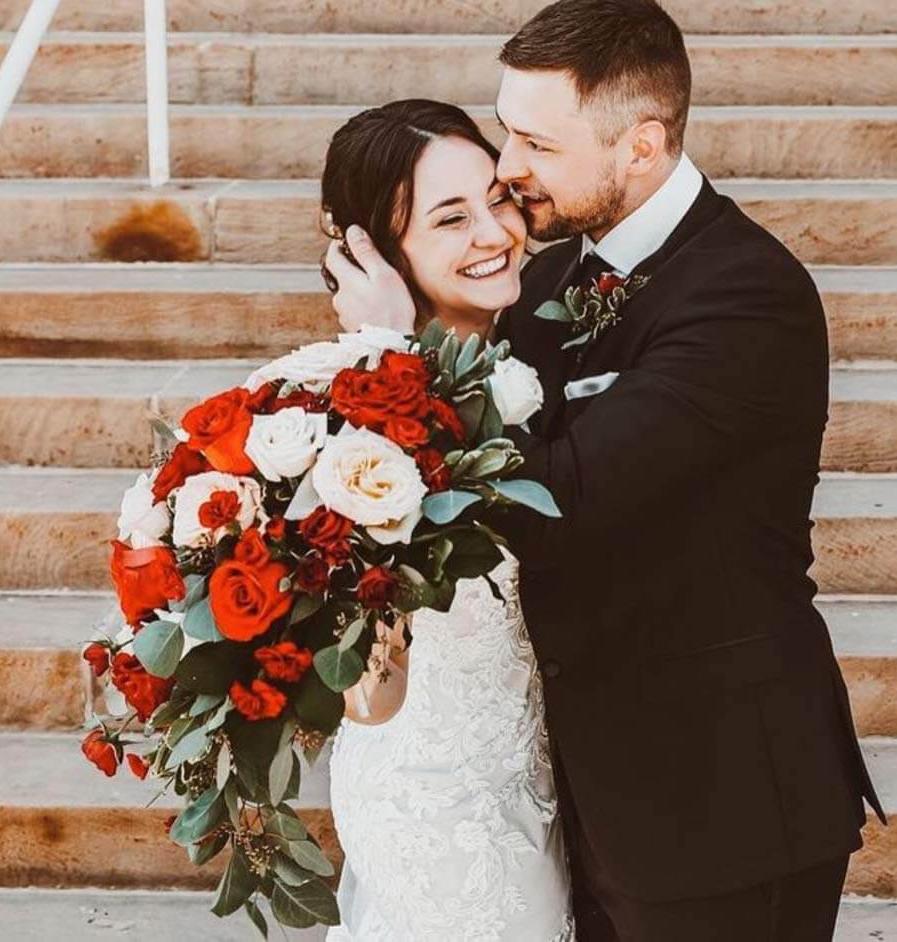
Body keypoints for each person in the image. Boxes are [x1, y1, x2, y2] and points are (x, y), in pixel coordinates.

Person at [323, 1, 884, 939]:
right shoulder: (542, 282)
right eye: (507, 132)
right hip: (571, 801)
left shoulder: (747, 294)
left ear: (642, 144)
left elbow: (556, 501)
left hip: (719, 804)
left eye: (537, 143)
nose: (509, 169)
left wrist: (386, 355)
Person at [320, 99, 576, 941]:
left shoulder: (525, 355)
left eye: (496, 200)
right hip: (439, 801)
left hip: (532, 782)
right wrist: (389, 360)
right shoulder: (353, 422)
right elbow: (369, 696)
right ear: (380, 253)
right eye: (450, 218)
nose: (496, 233)